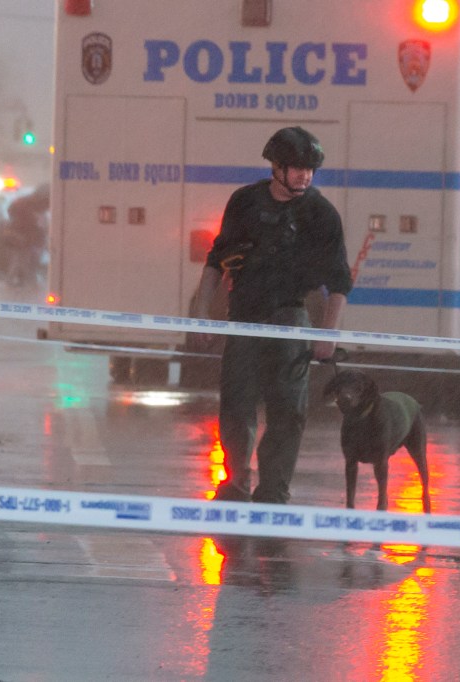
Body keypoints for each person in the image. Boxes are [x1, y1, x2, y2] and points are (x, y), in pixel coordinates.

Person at [189, 126, 353, 504]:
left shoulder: (321, 213)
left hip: (290, 321)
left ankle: (274, 490)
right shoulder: (245, 203)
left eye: (310, 169)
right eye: (297, 167)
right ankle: (235, 484)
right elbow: (217, 260)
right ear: (276, 167)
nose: (305, 175)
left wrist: (328, 335)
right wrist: (200, 313)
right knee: (235, 406)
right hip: (244, 318)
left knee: (288, 412)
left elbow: (339, 281)